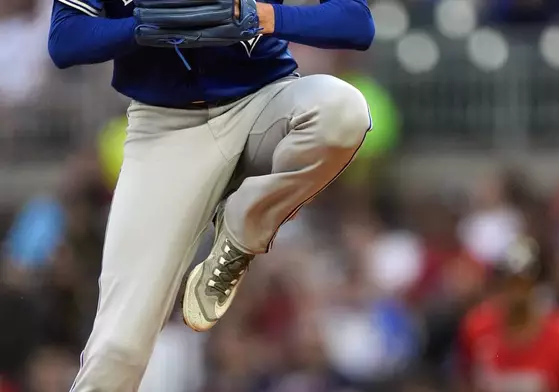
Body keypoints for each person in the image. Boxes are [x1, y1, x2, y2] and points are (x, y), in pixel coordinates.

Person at [47, 0, 375, 389]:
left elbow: (357, 22)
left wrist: (264, 16)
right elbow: (65, 39)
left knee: (343, 110)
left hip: (263, 105)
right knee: (117, 348)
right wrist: (139, 27)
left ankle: (242, 231)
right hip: (165, 129)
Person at [458, 237, 559, 392]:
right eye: (509, 282)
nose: (516, 292)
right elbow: (466, 382)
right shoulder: (477, 327)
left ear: (540, 285)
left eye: (524, 284)